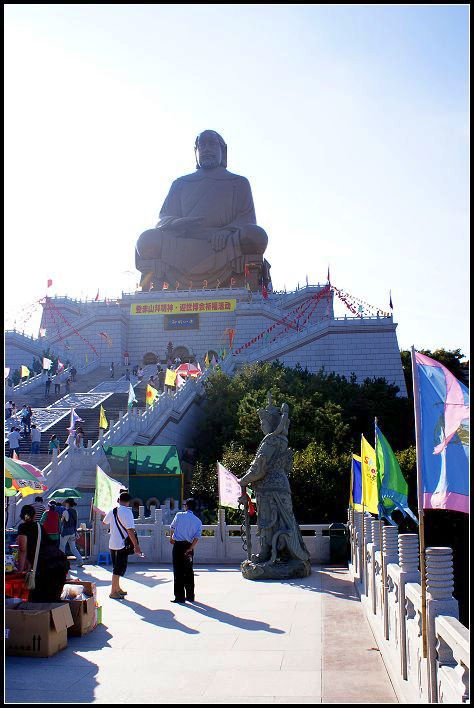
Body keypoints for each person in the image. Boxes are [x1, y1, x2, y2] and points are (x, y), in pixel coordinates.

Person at [16, 504, 69, 602]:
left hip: (46, 567)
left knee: (38, 601)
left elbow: (22, 549)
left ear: (22, 515)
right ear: (34, 515)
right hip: (60, 562)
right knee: (52, 601)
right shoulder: (39, 526)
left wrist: (20, 570)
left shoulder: (23, 527)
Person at [103, 491, 142, 599]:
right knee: (119, 568)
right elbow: (130, 530)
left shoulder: (113, 510)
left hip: (112, 543)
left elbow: (104, 522)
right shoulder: (128, 512)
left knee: (117, 567)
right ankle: (113, 591)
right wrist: (136, 545)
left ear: (119, 500)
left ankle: (117, 588)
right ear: (128, 502)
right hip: (122, 544)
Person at [169, 498, 202, 603]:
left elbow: (172, 528)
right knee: (188, 571)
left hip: (178, 545)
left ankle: (179, 597)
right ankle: (190, 596)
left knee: (178, 571)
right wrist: (191, 548)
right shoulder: (198, 521)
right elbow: (197, 537)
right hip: (188, 547)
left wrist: (171, 538)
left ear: (186, 506)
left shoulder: (179, 515)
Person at [59, 498, 83, 566]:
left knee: (62, 548)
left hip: (65, 532)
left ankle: (62, 562)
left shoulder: (65, 511)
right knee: (73, 548)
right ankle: (80, 561)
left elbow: (62, 521)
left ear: (67, 504)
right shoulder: (75, 511)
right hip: (72, 532)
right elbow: (75, 522)